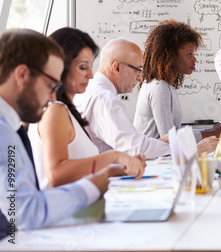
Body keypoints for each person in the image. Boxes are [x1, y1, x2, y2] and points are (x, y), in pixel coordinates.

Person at [0, 29, 109, 240]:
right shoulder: (3, 131)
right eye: (51, 85)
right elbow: (24, 212)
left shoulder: (10, 126)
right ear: (22, 75)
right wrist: (90, 188)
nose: (52, 97)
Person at [29, 28, 146, 190]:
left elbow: (76, 167)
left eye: (91, 67)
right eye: (83, 67)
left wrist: (115, 169)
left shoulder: (66, 110)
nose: (91, 75)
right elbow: (56, 174)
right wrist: (114, 156)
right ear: (60, 66)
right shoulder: (55, 111)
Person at [73, 38, 170, 159]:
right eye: (138, 69)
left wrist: (158, 144)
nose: (140, 78)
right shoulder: (105, 99)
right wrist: (180, 147)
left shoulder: (89, 89)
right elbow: (135, 148)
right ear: (117, 67)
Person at [133, 20, 219, 154]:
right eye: (189, 54)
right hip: (152, 163)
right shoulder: (158, 87)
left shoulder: (167, 86)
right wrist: (211, 132)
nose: (194, 59)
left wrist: (210, 131)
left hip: (161, 159)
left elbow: (175, 135)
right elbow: (170, 138)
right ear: (170, 57)